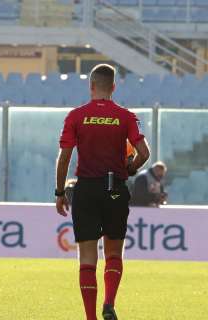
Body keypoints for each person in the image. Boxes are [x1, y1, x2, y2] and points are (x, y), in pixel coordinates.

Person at [55, 64, 150, 320]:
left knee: (87, 257)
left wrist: (59, 191)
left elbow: (64, 158)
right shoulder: (127, 116)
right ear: (114, 87)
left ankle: (90, 317)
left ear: (91, 86)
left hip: (85, 188)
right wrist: (129, 169)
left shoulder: (75, 116)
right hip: (115, 189)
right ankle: (109, 303)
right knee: (113, 253)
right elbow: (145, 154)